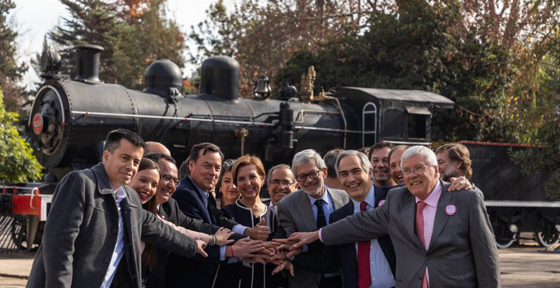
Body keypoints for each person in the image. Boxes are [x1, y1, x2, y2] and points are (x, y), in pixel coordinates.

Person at [288, 146, 501, 287]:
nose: (411, 175)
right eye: (406, 170)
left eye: (419, 168)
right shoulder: (398, 199)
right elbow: (359, 223)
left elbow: (486, 258)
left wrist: (470, 187)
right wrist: (317, 234)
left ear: (436, 170)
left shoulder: (465, 198)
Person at [27, 129, 206, 288]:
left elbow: (160, 228)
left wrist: (193, 245)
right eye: (125, 158)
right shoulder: (81, 182)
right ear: (106, 156)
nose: (131, 167)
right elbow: (59, 248)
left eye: (136, 162)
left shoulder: (130, 198)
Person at [275, 150, 396, 288]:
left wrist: (317, 235)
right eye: (344, 174)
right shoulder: (339, 215)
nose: (351, 179)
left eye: (356, 171)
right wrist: (291, 256)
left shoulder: (393, 198)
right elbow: (331, 259)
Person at [141, 152, 254, 288]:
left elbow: (195, 226)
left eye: (175, 180)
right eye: (165, 178)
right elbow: (173, 234)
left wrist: (249, 242)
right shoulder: (134, 208)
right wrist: (220, 244)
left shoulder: (170, 205)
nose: (170, 185)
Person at [168, 143, 270, 288]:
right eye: (207, 166)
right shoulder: (185, 194)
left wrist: (247, 233)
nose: (213, 172)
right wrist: (244, 246)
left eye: (217, 168)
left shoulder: (204, 193)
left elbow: (219, 220)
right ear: (191, 165)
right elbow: (197, 233)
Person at [276, 149, 349, 288]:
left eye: (313, 173)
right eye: (302, 176)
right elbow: (291, 246)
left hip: (344, 278)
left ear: (324, 172)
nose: (309, 180)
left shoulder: (346, 197)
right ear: (297, 180)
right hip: (307, 280)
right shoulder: (287, 205)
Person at [216, 155, 284, 288]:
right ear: (236, 183)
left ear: (263, 178)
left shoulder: (276, 214)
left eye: (252, 177)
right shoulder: (226, 214)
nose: (247, 183)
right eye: (241, 179)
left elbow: (282, 247)